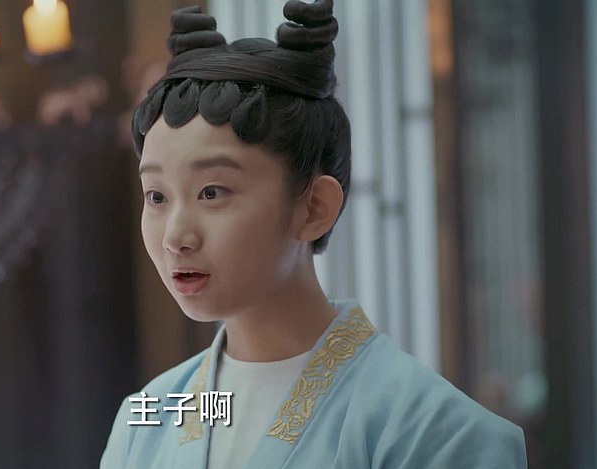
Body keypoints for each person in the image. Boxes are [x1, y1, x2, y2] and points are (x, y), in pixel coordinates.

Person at [101, 2, 527, 467]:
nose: (175, 237)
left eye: (212, 192)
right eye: (157, 196)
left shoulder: (436, 434)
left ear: (315, 207)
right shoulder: (144, 422)